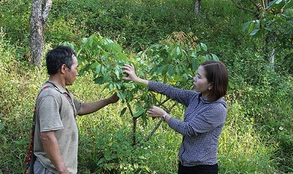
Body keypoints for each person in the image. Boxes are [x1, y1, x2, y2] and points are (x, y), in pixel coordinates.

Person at [122, 60, 228, 174]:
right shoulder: (196, 97)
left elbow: (188, 129)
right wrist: (137, 79)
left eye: (199, 77)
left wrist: (164, 115)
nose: (194, 78)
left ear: (211, 85)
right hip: (185, 163)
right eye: (196, 75)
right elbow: (170, 90)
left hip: (202, 168)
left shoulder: (217, 109)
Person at [28, 46, 119, 174]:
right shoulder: (50, 96)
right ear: (64, 68)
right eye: (76, 68)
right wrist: (62, 170)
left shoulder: (62, 93)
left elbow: (81, 108)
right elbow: (47, 136)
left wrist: (109, 100)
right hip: (50, 170)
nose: (77, 73)